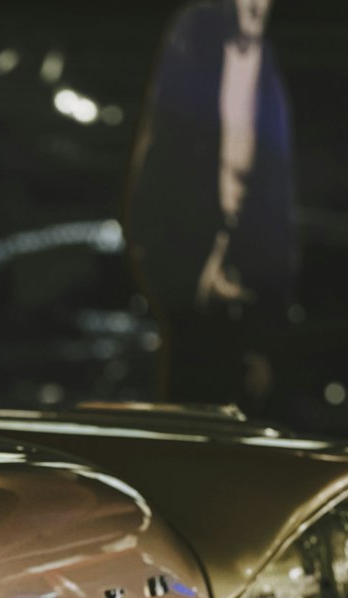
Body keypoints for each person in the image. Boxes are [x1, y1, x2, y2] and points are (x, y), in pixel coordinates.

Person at [126, 0, 296, 411]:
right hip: (190, 282)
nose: (256, 7)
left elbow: (272, 198)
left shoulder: (264, 69)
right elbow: (159, 170)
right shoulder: (194, 43)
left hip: (242, 288)